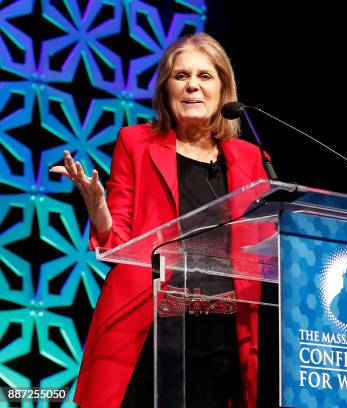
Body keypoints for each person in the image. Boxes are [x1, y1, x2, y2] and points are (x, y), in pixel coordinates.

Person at [50, 33, 270, 408]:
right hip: (151, 328)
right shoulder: (136, 143)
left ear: (223, 89)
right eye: (181, 76)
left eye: (205, 76)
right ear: (166, 88)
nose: (192, 86)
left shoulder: (249, 157)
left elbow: (264, 247)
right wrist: (97, 207)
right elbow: (117, 240)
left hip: (224, 334)